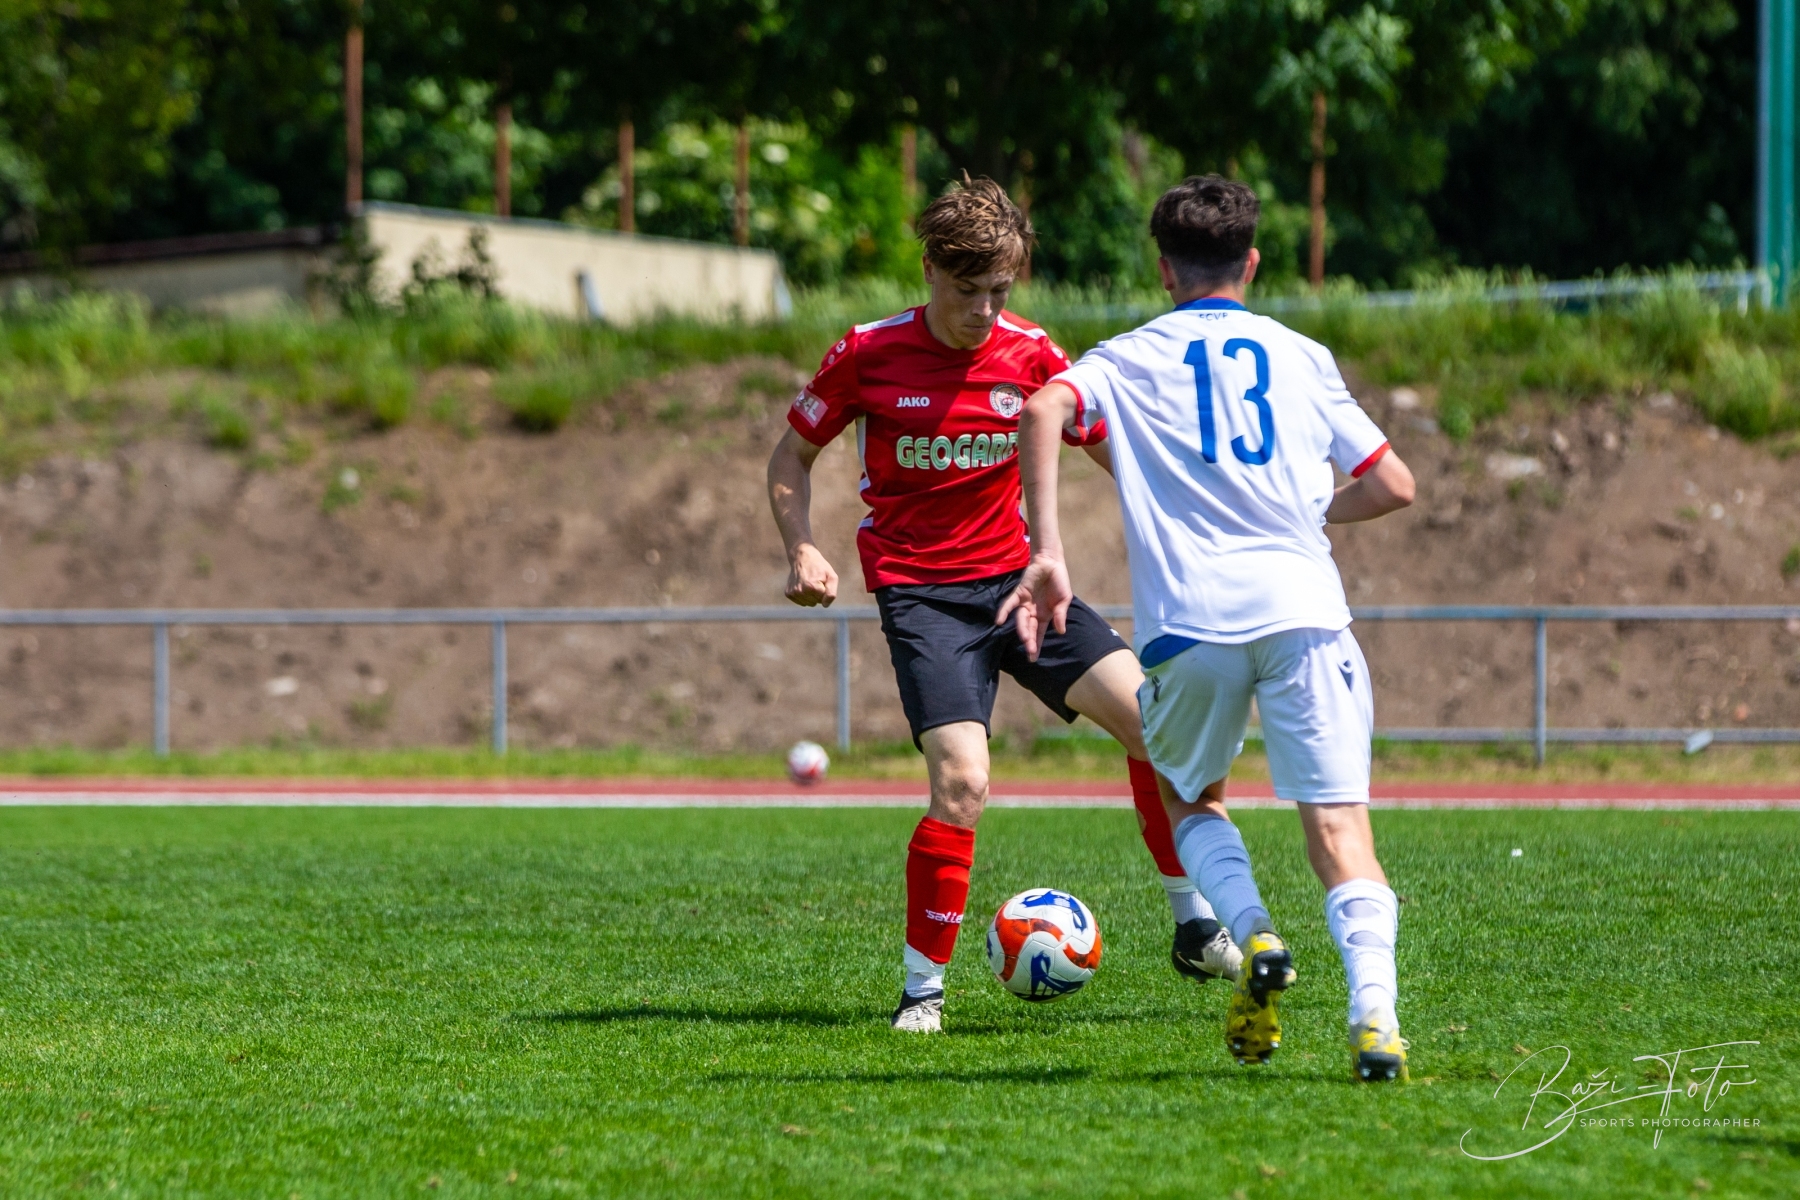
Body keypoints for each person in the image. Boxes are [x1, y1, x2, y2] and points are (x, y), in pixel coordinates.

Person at [766, 176, 1241, 1033]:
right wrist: (802, 545)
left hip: (1021, 586)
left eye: (1000, 291)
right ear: (929, 271)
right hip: (925, 597)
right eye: (967, 291)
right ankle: (922, 993)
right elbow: (789, 459)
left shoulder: (1032, 353)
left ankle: (1194, 924)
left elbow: (1114, 451)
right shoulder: (868, 352)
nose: (984, 311)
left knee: (1160, 729)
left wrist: (1198, 523)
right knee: (963, 782)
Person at [1004, 174, 1418, 1081]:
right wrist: (1307, 512)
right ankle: (1375, 1019)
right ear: (1253, 263)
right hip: (1306, 615)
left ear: (1164, 269)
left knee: (1191, 797)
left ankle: (1254, 933)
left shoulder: (1127, 356)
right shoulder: (1303, 356)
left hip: (1190, 623)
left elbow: (1042, 408)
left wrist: (1050, 552)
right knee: (1341, 834)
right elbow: (1394, 484)